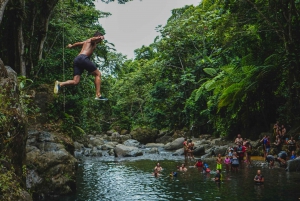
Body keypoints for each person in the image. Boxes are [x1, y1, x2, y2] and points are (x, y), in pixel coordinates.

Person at [54, 31, 108, 100]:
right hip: (83, 58)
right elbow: (93, 39)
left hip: (77, 60)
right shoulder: (91, 40)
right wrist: (100, 37)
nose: (99, 41)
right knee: (98, 74)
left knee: (75, 81)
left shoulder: (86, 42)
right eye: (99, 40)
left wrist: (71, 46)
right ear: (97, 37)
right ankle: (98, 95)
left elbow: (79, 43)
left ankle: (60, 84)